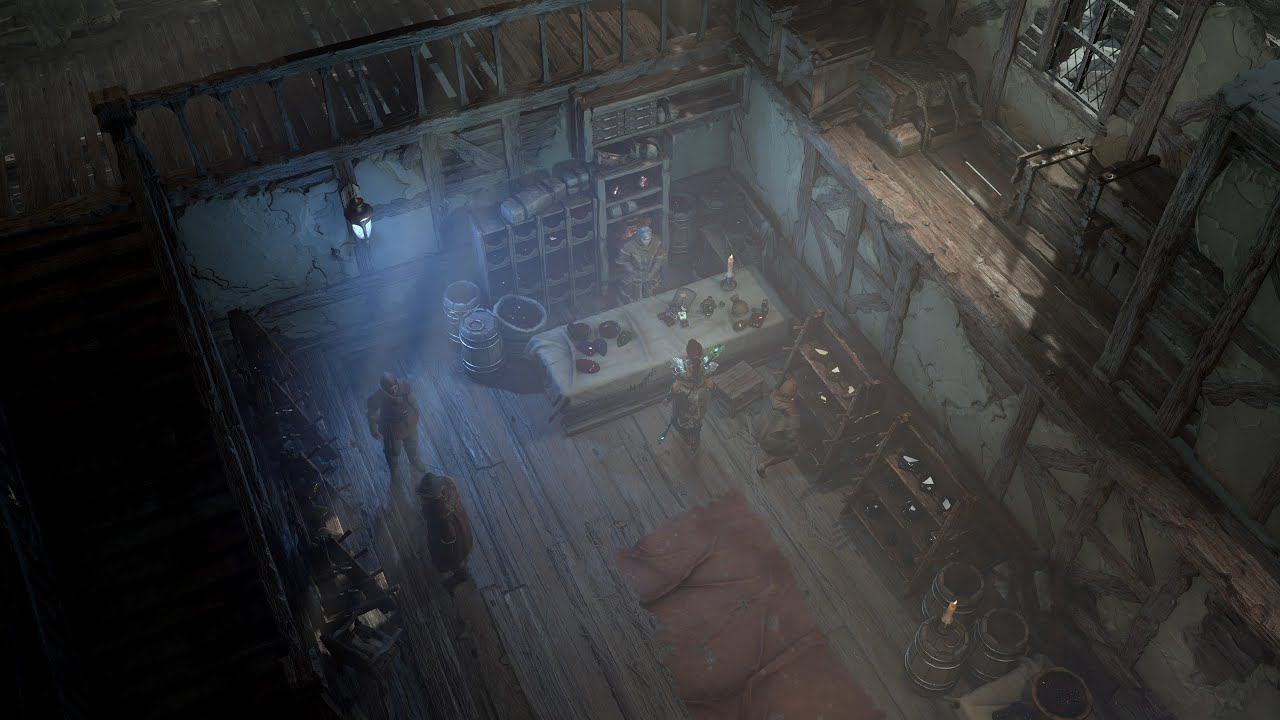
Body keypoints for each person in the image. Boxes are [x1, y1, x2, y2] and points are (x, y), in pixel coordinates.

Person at [417, 472, 474, 591]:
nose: (421, 499)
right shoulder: (449, 493)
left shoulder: (439, 517)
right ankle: (461, 567)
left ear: (430, 498)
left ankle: (461, 575)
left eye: (423, 497)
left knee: (457, 563)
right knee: (461, 556)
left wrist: (444, 558)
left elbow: (449, 544)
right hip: (462, 532)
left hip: (455, 548)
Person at [366, 372, 425, 474]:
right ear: (384, 390)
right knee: (393, 451)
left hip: (407, 422)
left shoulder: (404, 387)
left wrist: (416, 412)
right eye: (390, 389)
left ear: (397, 384)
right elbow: (371, 412)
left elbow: (413, 400)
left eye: (395, 387)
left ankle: (414, 459)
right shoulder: (379, 396)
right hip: (391, 427)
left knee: (412, 442)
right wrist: (373, 428)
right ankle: (393, 470)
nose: (393, 391)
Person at [668, 339, 715, 454]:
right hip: (685, 396)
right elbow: (677, 383)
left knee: (696, 420)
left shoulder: (704, 366)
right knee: (683, 419)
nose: (694, 354)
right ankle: (687, 434)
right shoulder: (683, 366)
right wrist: (670, 395)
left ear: (699, 352)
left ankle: (694, 437)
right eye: (691, 351)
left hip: (698, 397)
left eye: (695, 351)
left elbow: (709, 383)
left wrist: (709, 385)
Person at [756, 377, 801, 477]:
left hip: (758, 430)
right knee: (793, 450)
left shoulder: (773, 394)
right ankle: (763, 465)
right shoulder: (792, 412)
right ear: (794, 394)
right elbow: (792, 435)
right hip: (768, 442)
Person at [615, 223, 667, 303]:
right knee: (633, 292)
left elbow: (659, 258)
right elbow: (624, 261)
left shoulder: (656, 242)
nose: (647, 242)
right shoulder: (628, 245)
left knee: (653, 288)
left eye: (649, 239)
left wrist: (652, 272)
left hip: (650, 271)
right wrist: (634, 272)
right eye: (644, 239)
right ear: (639, 237)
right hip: (633, 273)